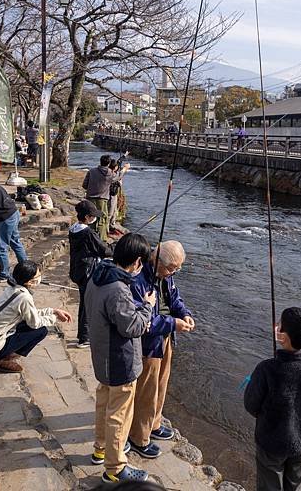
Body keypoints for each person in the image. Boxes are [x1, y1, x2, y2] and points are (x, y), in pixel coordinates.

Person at [85, 233, 156, 484]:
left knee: (104, 403)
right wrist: (147, 306)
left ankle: (101, 449)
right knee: (119, 413)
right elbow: (133, 327)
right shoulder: (118, 289)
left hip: (101, 356)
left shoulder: (98, 275)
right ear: (137, 261)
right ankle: (114, 468)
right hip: (119, 361)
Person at [244, 307, 301, 491]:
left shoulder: (266, 368)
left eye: (280, 325)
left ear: (284, 337)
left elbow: (251, 405)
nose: (276, 326)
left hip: (271, 444)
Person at [129, 241, 194, 459]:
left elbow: (175, 299)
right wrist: (173, 323)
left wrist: (183, 314)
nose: (173, 272)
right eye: (171, 268)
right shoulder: (138, 281)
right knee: (146, 390)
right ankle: (139, 437)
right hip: (149, 343)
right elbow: (144, 321)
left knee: (161, 384)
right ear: (157, 260)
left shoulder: (167, 276)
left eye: (177, 268)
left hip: (165, 338)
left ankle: (154, 424)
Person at [0, 260, 72, 373]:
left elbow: (29, 314)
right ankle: (3, 359)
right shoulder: (24, 297)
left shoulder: (12, 289)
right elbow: (35, 323)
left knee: (25, 324)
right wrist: (55, 318)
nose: (40, 278)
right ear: (30, 282)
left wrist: (53, 311)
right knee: (40, 331)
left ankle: (2, 356)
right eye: (38, 275)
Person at [68, 200, 113, 348]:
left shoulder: (73, 229)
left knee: (85, 302)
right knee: (88, 304)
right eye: (93, 216)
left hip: (77, 270)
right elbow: (103, 250)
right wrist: (114, 249)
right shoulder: (87, 232)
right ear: (87, 217)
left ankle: (84, 335)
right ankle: (84, 337)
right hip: (87, 272)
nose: (95, 218)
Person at [0, 176, 28, 283]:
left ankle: (4, 274)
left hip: (5, 217)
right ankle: (27, 269)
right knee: (15, 242)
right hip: (12, 213)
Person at [82, 155, 126, 241]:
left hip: (89, 198)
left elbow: (84, 185)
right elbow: (118, 177)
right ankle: (102, 239)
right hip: (102, 200)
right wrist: (125, 169)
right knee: (102, 219)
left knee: (90, 218)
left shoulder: (91, 171)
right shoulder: (110, 173)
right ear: (109, 163)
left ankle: (89, 238)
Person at [108, 159, 130, 234]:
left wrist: (125, 156)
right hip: (111, 195)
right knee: (110, 211)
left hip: (113, 194)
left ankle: (112, 223)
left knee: (114, 210)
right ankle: (108, 226)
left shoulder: (111, 172)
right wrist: (125, 169)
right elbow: (119, 176)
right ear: (115, 167)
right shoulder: (112, 174)